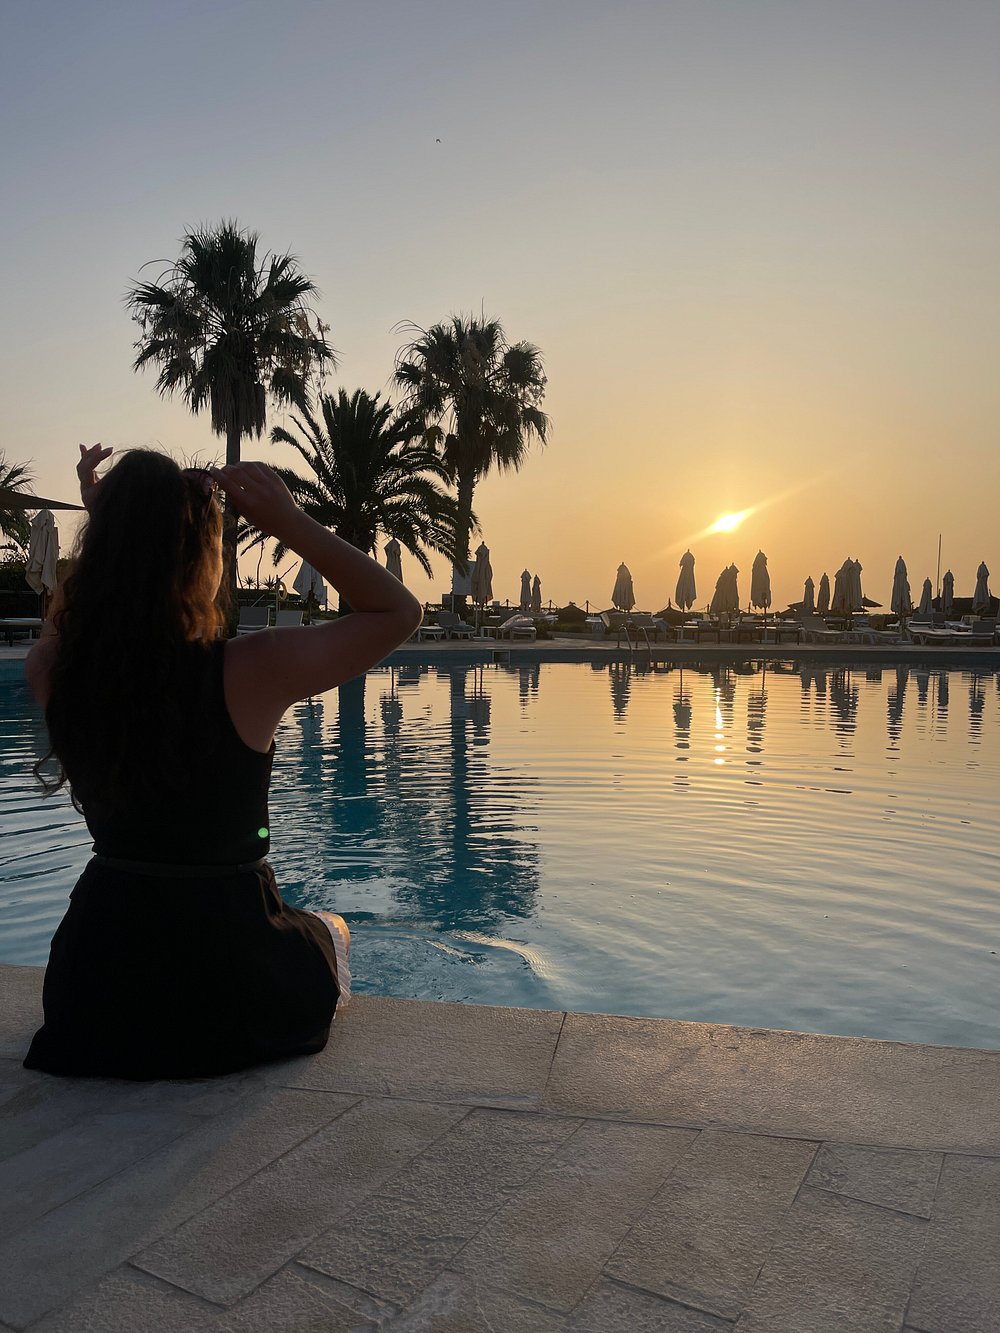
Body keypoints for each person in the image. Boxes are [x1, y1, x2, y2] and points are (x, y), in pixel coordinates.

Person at [23, 445, 422, 1080]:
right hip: (234, 985)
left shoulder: (53, 669)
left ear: (99, 554)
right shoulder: (253, 668)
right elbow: (398, 611)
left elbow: (65, 622)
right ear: (200, 559)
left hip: (97, 990)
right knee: (331, 928)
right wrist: (288, 521)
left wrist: (112, 526)